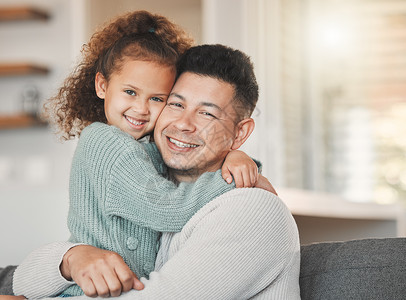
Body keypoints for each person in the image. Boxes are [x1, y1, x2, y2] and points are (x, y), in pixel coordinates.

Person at [0, 11, 271, 298]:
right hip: (85, 291)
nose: (142, 109)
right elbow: (166, 207)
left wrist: (236, 160)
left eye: (158, 99)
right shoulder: (106, 143)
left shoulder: (248, 211)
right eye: (130, 92)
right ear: (102, 86)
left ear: (240, 133)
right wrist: (234, 177)